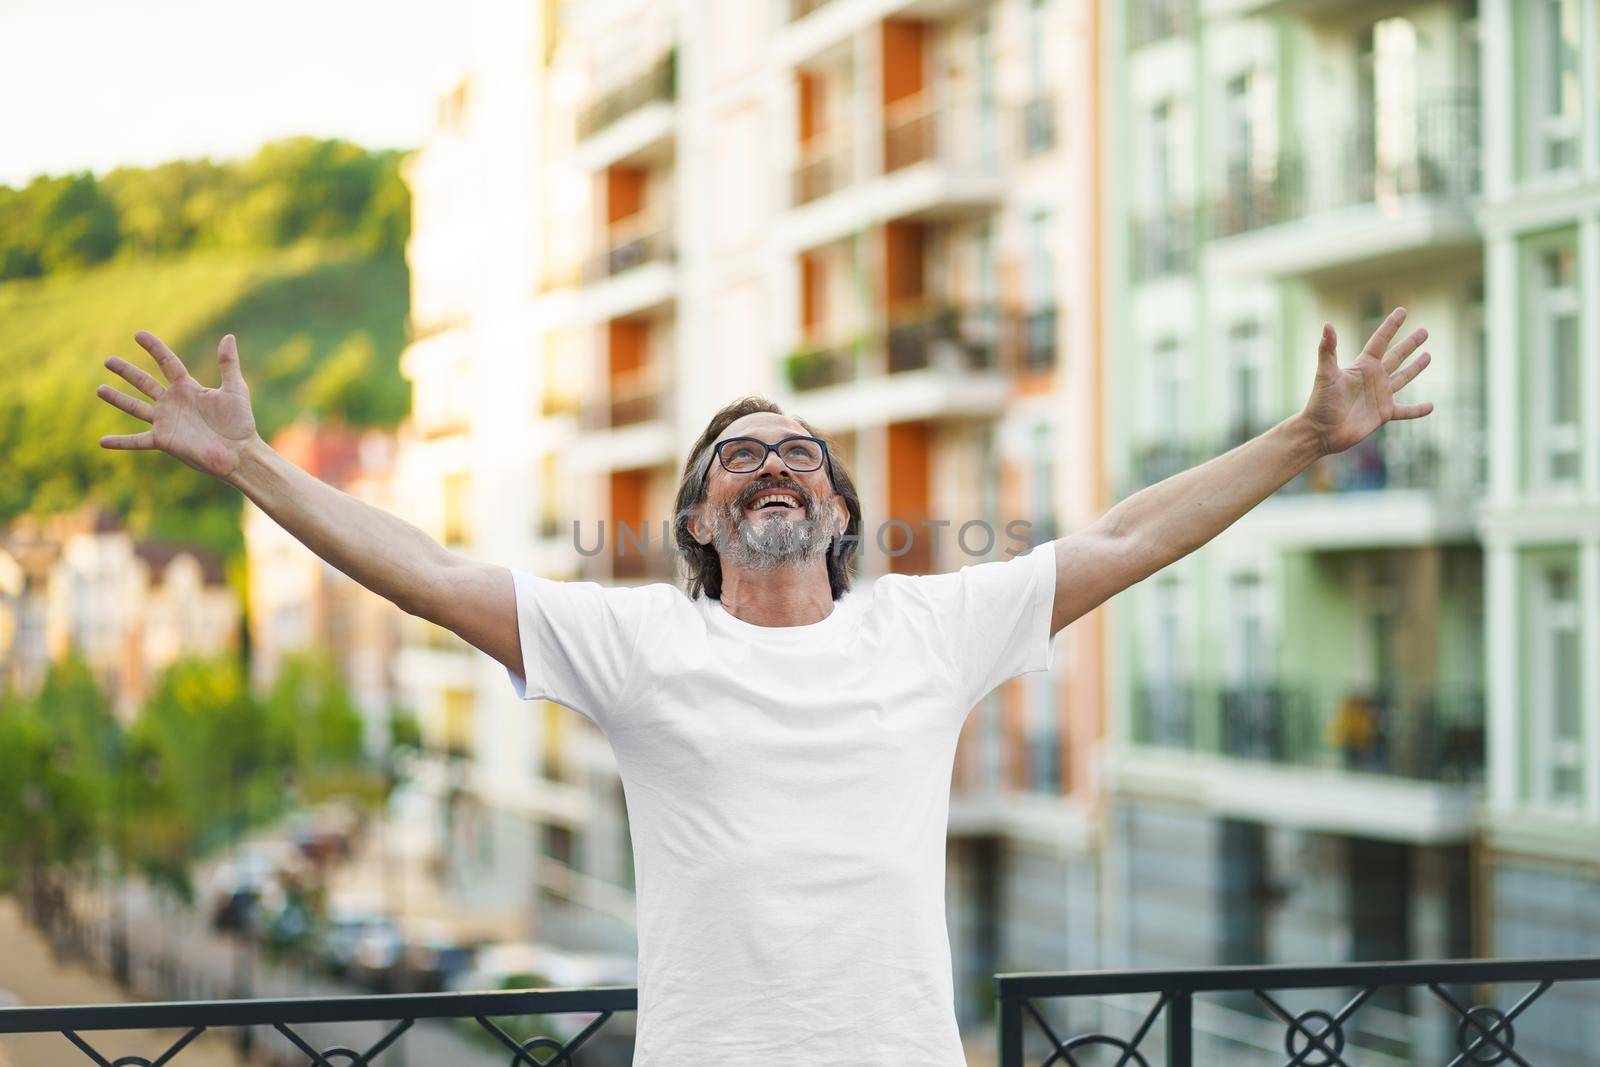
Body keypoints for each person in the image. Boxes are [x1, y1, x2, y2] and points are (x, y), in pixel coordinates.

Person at [95, 308, 1433, 1065]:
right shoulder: (638, 644)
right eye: (738, 458)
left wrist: (1308, 438)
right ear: (695, 524)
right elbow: (430, 573)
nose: (772, 460)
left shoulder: (932, 628)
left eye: (800, 451)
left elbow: (1132, 534)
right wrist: (257, 469)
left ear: (842, 513)